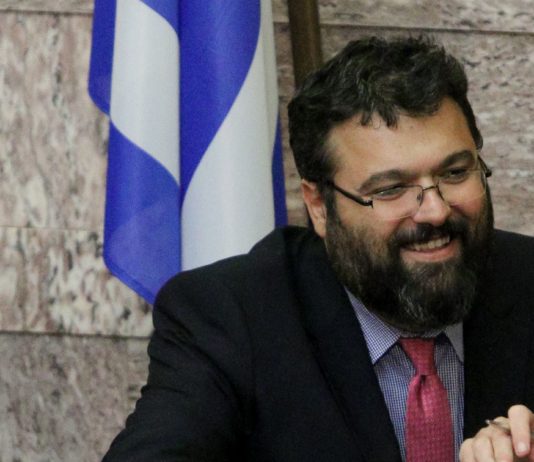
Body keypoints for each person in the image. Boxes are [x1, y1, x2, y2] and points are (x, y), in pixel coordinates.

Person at [103, 36, 534, 462]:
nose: (435, 211)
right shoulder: (231, 317)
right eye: (390, 189)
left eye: (455, 172)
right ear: (319, 206)